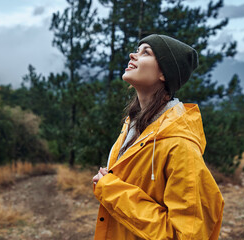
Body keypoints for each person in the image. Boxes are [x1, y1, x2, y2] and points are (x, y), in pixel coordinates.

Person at [92, 34, 224, 240]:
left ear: (164, 73)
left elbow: (184, 235)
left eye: (146, 52)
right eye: (137, 49)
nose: (133, 55)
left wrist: (110, 190)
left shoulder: (180, 145)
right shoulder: (133, 126)